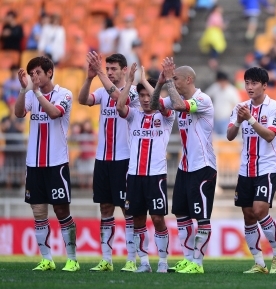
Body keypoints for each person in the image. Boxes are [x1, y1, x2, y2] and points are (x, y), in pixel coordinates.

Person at [152, 58, 217, 274]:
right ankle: (188, 259)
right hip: (185, 167)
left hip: (203, 167)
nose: (174, 82)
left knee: (201, 217)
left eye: (176, 79)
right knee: (181, 214)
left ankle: (197, 263)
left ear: (188, 79)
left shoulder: (203, 99)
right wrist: (161, 83)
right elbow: (153, 106)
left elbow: (180, 106)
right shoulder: (176, 96)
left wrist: (168, 80)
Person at [14, 56, 78, 271]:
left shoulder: (64, 94)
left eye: (38, 73)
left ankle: (72, 259)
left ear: (49, 73)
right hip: (34, 164)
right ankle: (47, 259)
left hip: (56, 164)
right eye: (31, 74)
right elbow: (18, 113)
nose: (34, 77)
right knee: (38, 211)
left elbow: (53, 113)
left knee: (61, 211)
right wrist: (24, 90)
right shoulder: (31, 94)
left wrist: (37, 91)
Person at [77, 52, 139, 272]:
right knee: (105, 207)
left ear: (124, 70)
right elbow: (83, 100)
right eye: (108, 69)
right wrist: (88, 77)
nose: (110, 72)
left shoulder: (132, 92)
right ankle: (106, 259)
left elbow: (119, 100)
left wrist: (101, 74)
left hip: (124, 159)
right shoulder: (102, 91)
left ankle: (131, 259)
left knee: (127, 209)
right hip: (103, 158)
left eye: (114, 69)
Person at [116, 63, 175, 273]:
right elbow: (119, 106)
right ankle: (143, 263)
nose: (145, 99)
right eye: (141, 95)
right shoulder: (134, 115)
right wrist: (130, 82)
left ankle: (163, 262)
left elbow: (159, 102)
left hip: (156, 176)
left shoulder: (166, 117)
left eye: (147, 95)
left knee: (158, 218)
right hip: (134, 176)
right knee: (137, 219)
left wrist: (145, 81)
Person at [226, 67, 276, 274]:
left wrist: (250, 119)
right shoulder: (240, 108)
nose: (249, 87)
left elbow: (270, 136)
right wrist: (240, 120)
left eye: (254, 83)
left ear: (264, 86)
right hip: (245, 170)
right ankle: (259, 263)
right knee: (248, 214)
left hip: (267, 168)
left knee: (260, 210)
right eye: (247, 83)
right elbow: (230, 135)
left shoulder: (275, 108)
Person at [205, 71, 241, 136]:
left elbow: (236, 104)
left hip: (226, 119)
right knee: (214, 139)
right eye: (220, 82)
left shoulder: (232, 90)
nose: (222, 84)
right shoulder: (215, 87)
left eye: (223, 81)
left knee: (225, 139)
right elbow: (205, 97)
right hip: (215, 119)